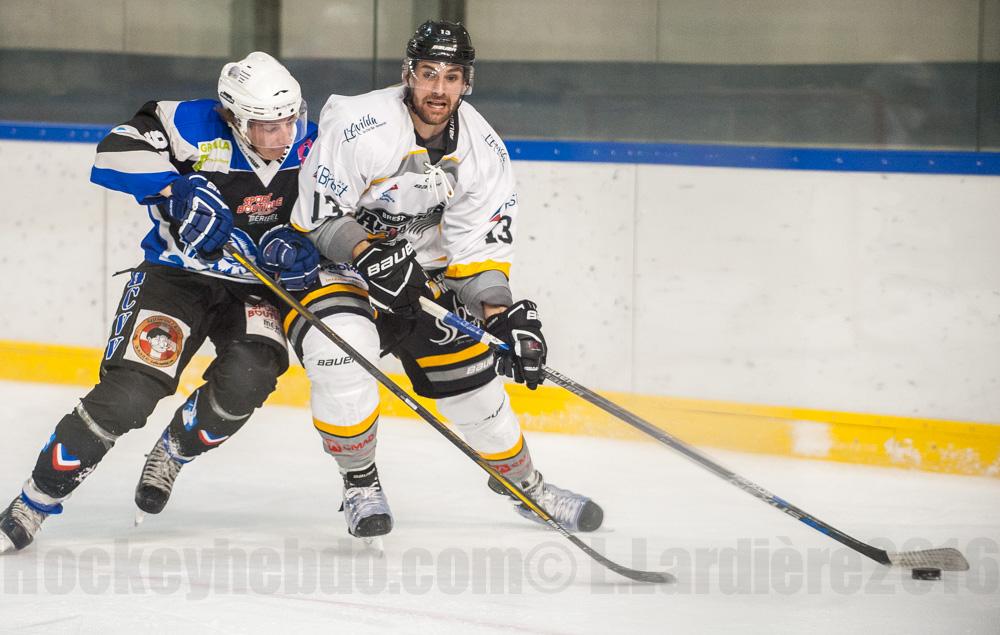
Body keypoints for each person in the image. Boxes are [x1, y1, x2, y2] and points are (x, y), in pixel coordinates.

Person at [268, 21, 603, 539]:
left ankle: (526, 487)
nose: (438, 89)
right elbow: (318, 215)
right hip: (338, 270)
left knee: (477, 392)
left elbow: (477, 251)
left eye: (451, 76)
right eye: (428, 73)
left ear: (466, 82)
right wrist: (368, 254)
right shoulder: (360, 125)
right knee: (341, 355)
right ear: (408, 74)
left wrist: (502, 317)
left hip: (420, 281)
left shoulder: (484, 150)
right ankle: (359, 484)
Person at [0, 51, 319, 553]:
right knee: (127, 395)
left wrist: (307, 246)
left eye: (290, 119)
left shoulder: (312, 140)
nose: (284, 135)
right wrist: (175, 187)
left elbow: (342, 211)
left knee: (249, 378)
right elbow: (112, 152)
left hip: (255, 289)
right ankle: (33, 502)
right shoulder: (186, 122)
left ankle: (174, 450)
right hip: (177, 278)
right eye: (267, 125)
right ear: (234, 117)